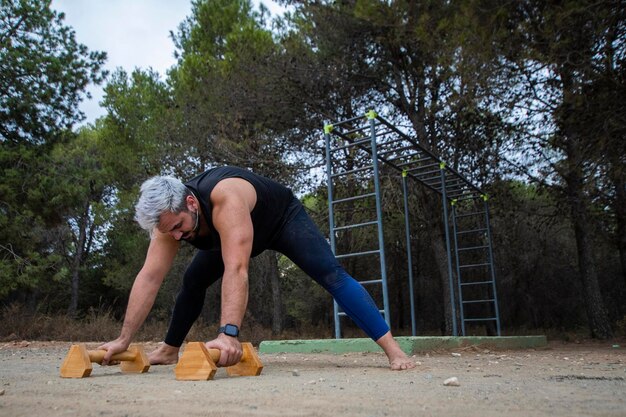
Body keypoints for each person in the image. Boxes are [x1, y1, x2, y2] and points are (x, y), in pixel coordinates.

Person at [99, 166, 415, 371]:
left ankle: (393, 351)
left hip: (281, 222)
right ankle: (169, 349)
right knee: (192, 280)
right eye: (171, 232)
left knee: (331, 275)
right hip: (232, 233)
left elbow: (236, 268)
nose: (179, 237)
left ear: (192, 204)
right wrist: (124, 338)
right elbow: (150, 277)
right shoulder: (168, 223)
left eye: (180, 227)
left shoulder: (225, 197)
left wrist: (228, 335)